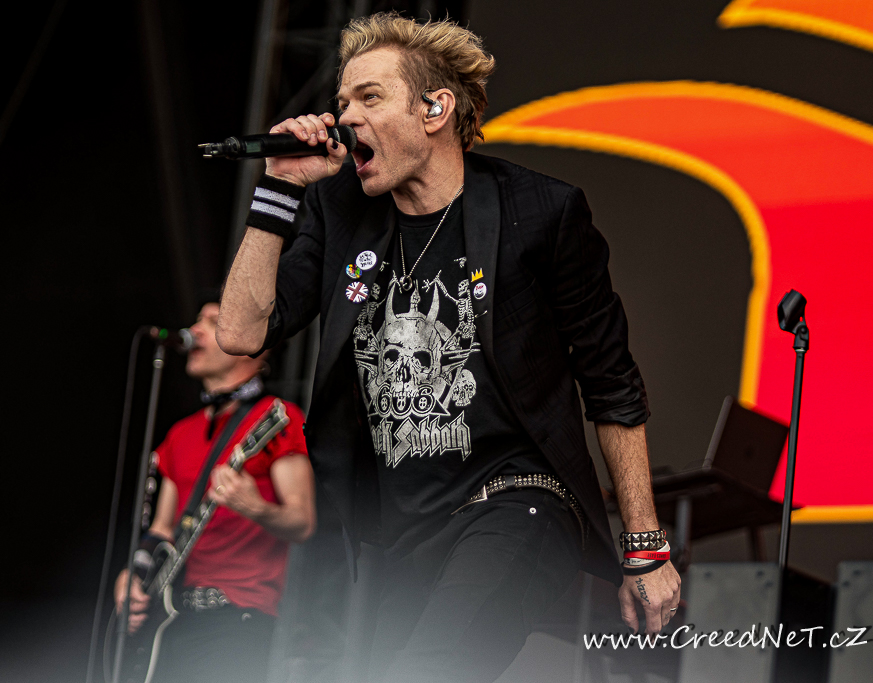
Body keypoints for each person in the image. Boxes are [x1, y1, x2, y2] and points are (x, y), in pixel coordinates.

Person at [217, 11, 681, 683]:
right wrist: (280, 188)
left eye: (370, 97)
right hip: (402, 532)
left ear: (434, 109)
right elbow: (240, 332)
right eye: (342, 102)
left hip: (517, 500)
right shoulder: (339, 211)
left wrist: (645, 547)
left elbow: (612, 384)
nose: (345, 119)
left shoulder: (539, 213)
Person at [114, 291, 316, 683]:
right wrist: (132, 577)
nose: (195, 330)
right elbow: (162, 529)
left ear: (253, 345)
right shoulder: (180, 433)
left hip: (239, 618)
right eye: (197, 320)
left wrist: (255, 507)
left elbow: (303, 522)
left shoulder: (279, 418)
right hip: (173, 619)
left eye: (212, 321)